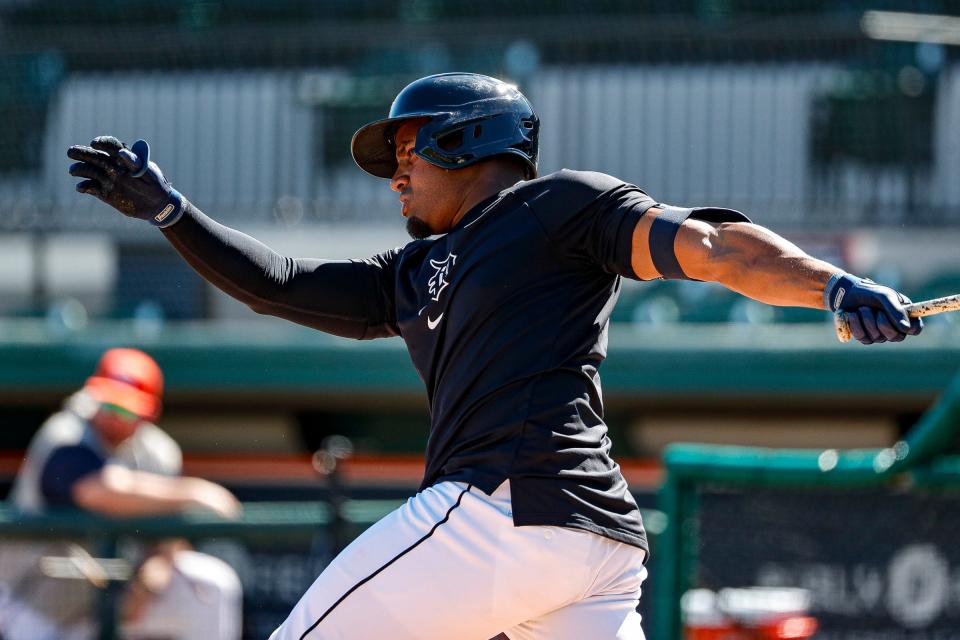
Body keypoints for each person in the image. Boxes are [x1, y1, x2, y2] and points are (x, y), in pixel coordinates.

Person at [66, 72, 922, 640]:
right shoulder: (411, 270)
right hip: (593, 547)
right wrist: (173, 214)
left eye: (406, 152)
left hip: (505, 508)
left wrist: (834, 286)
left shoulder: (556, 206)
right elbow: (277, 284)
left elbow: (715, 247)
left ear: (466, 141)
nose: (395, 176)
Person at [0, 348, 243, 640]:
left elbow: (170, 536)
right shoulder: (64, 436)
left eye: (126, 409)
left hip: (116, 595)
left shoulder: (159, 453)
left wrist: (152, 578)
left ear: (148, 412)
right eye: (109, 404)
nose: (115, 417)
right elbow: (98, 490)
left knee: (214, 586)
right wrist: (194, 491)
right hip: (38, 599)